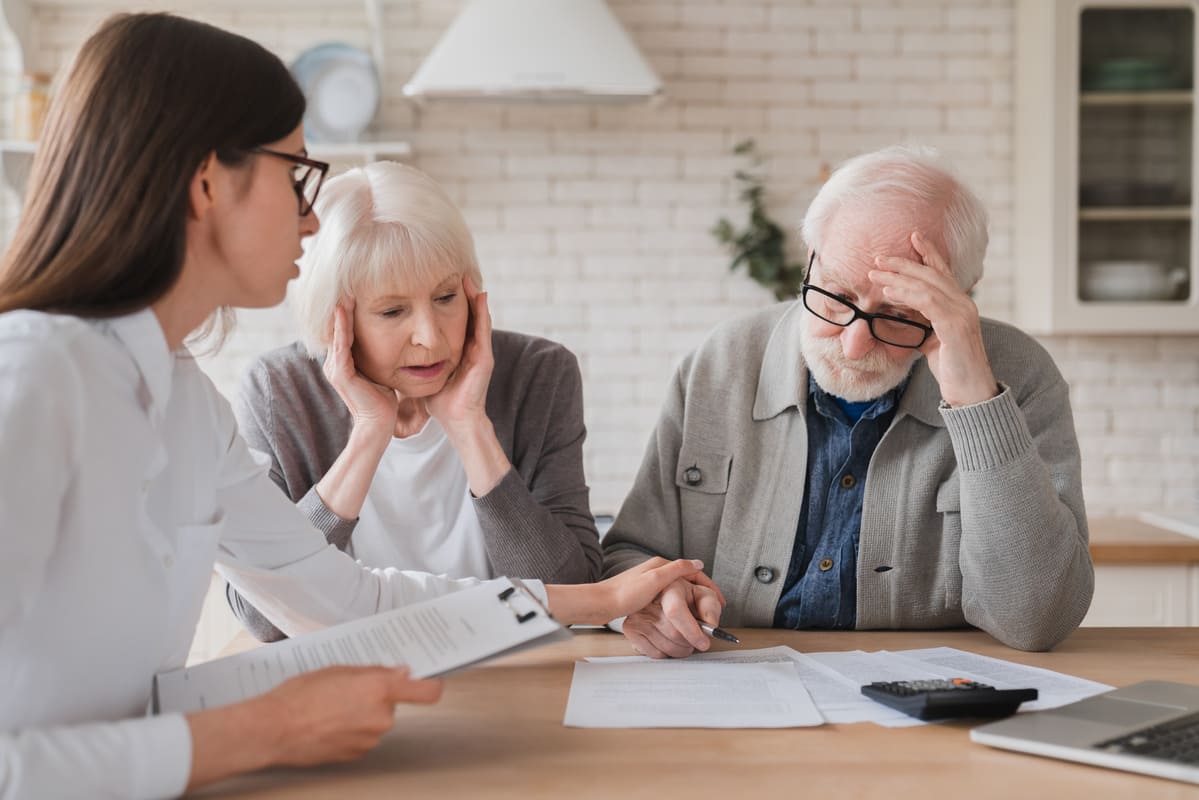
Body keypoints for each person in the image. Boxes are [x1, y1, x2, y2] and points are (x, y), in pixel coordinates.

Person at [0, 13, 716, 798]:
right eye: (296, 176)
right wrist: (258, 732)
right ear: (207, 183)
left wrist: (606, 598)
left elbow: (348, 600)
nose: (312, 217)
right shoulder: (31, 382)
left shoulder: (184, 404)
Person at [603, 145, 1094, 656]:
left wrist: (977, 402)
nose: (855, 345)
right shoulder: (722, 361)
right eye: (835, 295)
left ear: (961, 296)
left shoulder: (1022, 375)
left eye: (900, 316)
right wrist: (655, 599)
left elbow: (1040, 618)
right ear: (810, 258)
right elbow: (627, 555)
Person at [226, 161, 601, 643]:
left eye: (446, 297)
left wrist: (470, 427)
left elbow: (576, 593)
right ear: (334, 320)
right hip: (352, 676)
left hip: (511, 667)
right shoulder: (279, 392)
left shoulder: (539, 373)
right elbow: (262, 618)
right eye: (392, 310)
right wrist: (367, 432)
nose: (430, 336)